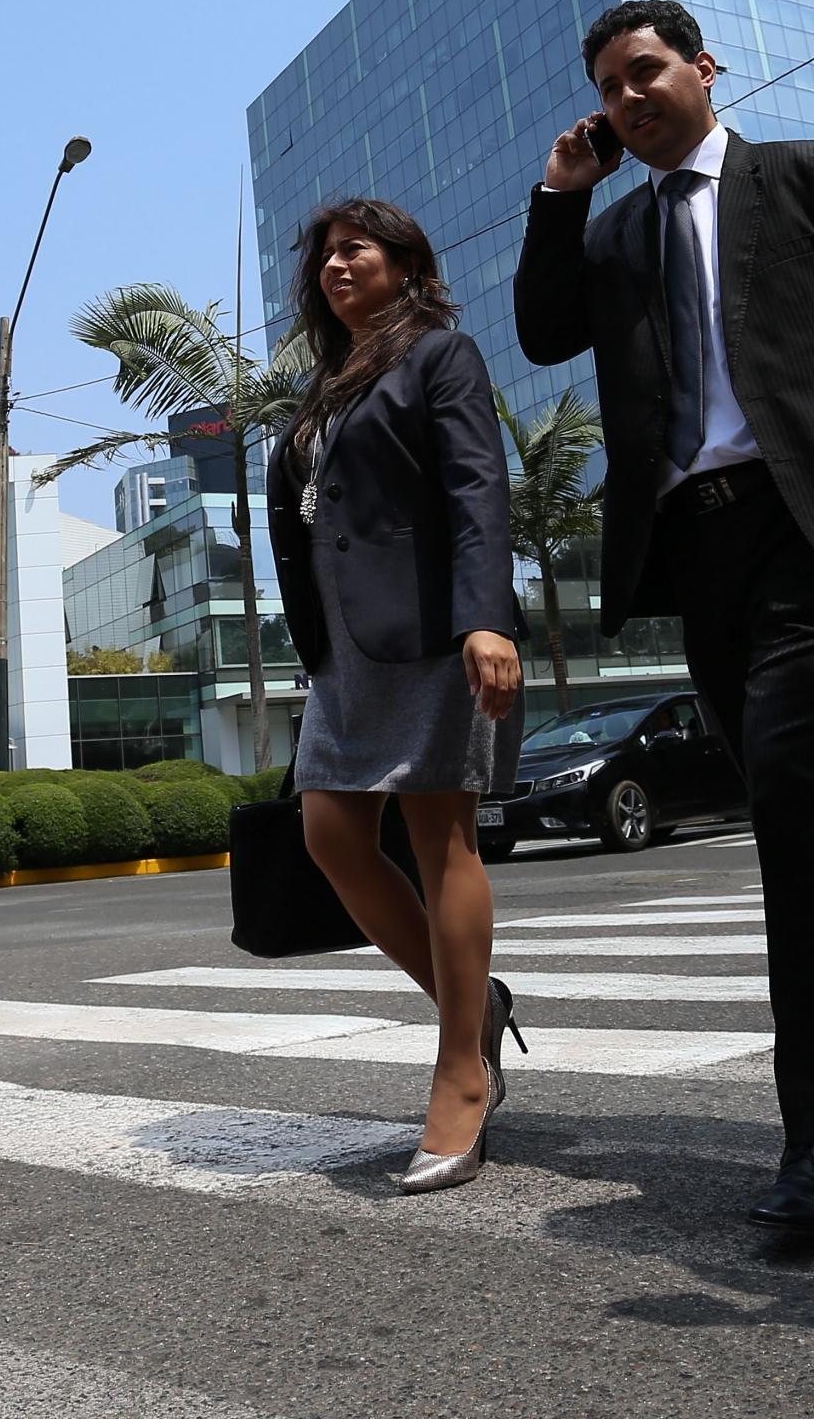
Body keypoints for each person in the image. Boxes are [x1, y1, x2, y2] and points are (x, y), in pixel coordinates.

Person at [516, 0, 814, 1246]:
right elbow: (545, 330)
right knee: (801, 797)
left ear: (706, 68)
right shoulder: (611, 239)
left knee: (795, 786)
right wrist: (559, 191)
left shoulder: (812, 178)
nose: (629, 95)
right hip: (693, 544)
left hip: (808, 517)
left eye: (646, 70)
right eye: (609, 84)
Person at [266, 198, 526, 1193]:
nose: (335, 264)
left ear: (406, 262)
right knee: (332, 832)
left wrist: (487, 616)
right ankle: (475, 1004)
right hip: (344, 651)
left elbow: (476, 489)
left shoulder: (439, 354)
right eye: (325, 253)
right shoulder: (328, 383)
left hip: (430, 634)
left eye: (354, 248)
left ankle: (462, 1068)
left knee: (439, 837)